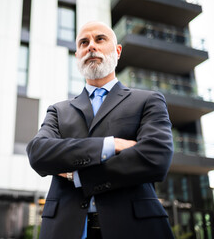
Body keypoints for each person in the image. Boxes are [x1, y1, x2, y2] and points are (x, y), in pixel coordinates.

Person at [26, 21, 174, 239]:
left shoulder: (148, 100)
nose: (91, 46)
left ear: (117, 50)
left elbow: (156, 156)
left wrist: (78, 176)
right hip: (64, 230)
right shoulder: (58, 110)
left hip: (135, 229)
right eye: (84, 42)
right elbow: (38, 153)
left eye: (100, 39)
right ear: (77, 54)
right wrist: (110, 145)